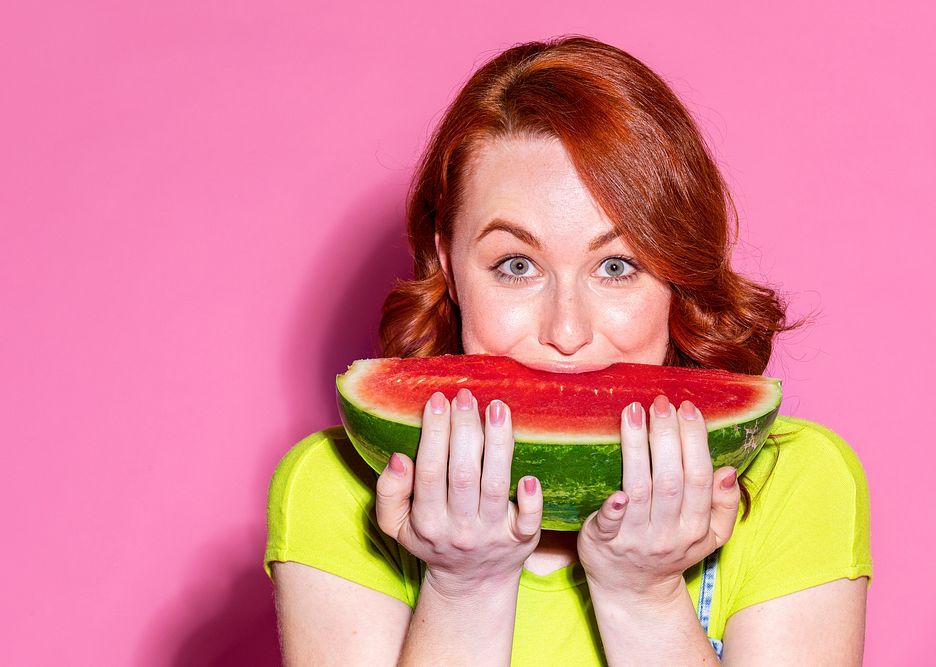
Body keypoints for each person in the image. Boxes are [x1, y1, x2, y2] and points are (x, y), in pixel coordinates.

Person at [264, 36, 871, 664]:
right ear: (450, 267)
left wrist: (646, 597)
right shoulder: (337, 487)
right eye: (517, 264)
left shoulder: (792, 482)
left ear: (677, 274)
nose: (568, 330)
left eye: (616, 265)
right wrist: (464, 589)